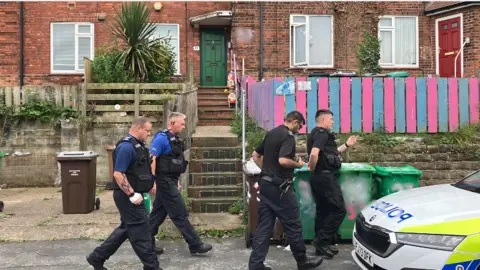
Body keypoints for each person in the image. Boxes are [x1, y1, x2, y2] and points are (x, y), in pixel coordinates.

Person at [248, 111, 323, 270]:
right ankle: (302, 261)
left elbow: (255, 155)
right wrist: (298, 164)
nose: (300, 130)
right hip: (280, 189)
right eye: (300, 126)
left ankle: (255, 264)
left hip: (266, 185)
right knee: (294, 224)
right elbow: (283, 160)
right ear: (295, 121)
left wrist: (268, 172)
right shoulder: (288, 136)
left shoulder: (272, 133)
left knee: (264, 226)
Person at [86, 117, 161, 270]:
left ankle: (96, 257)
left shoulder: (139, 146)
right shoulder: (127, 148)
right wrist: (132, 194)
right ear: (138, 128)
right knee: (142, 233)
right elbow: (118, 174)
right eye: (147, 131)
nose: (149, 134)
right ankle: (152, 266)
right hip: (128, 197)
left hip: (135, 195)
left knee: (126, 229)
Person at [149, 112, 212, 255]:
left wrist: (176, 181)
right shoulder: (161, 139)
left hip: (170, 180)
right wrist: (152, 181)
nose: (184, 126)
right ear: (172, 124)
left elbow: (175, 162)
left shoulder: (175, 140)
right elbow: (152, 159)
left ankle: (146, 243)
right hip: (163, 181)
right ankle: (195, 244)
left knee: (157, 214)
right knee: (180, 213)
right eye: (182, 124)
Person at [306, 109, 357, 259]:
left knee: (324, 210)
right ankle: (321, 241)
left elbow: (331, 154)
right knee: (339, 209)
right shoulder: (321, 133)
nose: (333, 122)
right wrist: (313, 167)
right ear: (322, 120)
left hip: (319, 177)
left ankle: (321, 246)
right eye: (331, 119)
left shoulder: (317, 134)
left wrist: (347, 144)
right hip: (324, 177)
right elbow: (314, 154)